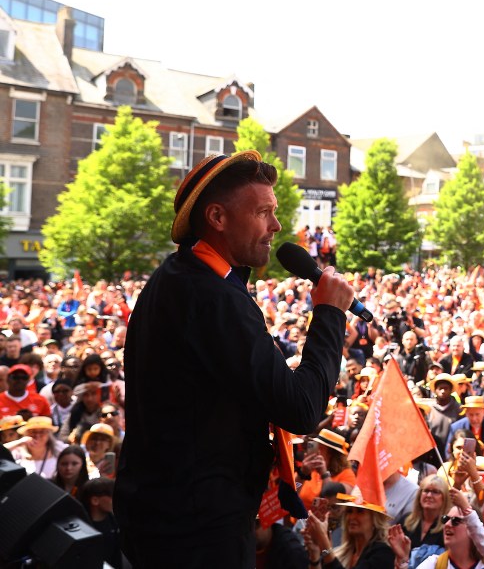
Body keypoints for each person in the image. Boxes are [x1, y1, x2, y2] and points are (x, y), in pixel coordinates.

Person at [115, 151, 353, 567]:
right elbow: (301, 408)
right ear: (217, 217)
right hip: (198, 531)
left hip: (171, 515)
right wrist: (330, 315)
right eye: (263, 212)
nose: (276, 227)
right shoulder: (211, 295)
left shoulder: (177, 278)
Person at [304, 498, 395, 569]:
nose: (352, 517)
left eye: (360, 512)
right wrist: (315, 554)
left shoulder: (383, 553)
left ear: (375, 520)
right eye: (349, 511)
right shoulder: (341, 552)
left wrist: (324, 542)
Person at [389, 505, 483, 569]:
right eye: (445, 519)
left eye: (455, 521)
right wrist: (403, 560)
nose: (447, 524)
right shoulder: (434, 564)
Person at [396, 475, 450, 569]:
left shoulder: (449, 525)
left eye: (435, 492)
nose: (429, 495)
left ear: (444, 498)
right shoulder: (405, 521)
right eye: (426, 491)